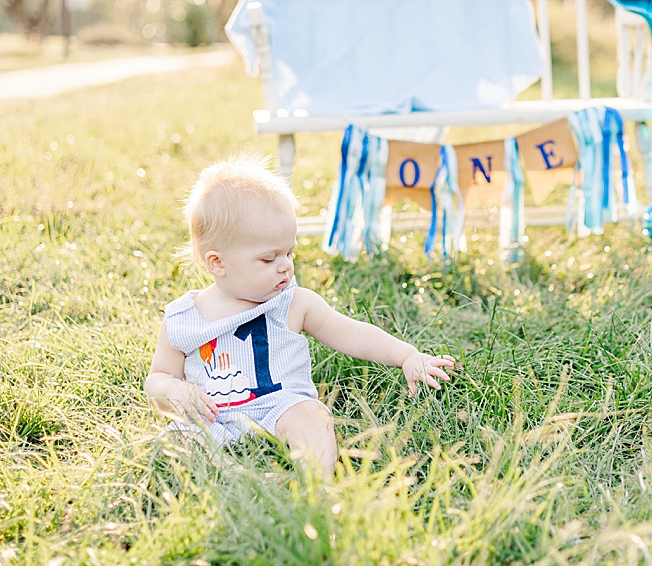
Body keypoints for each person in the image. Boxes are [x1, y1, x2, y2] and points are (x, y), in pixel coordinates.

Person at [145, 152, 454, 477]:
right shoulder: (183, 318)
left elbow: (352, 333)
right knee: (177, 442)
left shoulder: (294, 303)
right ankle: (237, 478)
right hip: (212, 417)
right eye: (268, 259)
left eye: (289, 252)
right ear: (217, 263)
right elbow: (157, 377)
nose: (285, 265)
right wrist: (173, 390)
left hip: (283, 406)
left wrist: (407, 356)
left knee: (311, 418)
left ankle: (315, 484)